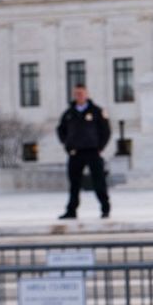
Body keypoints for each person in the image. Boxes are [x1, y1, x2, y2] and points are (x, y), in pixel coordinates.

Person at [56, 84, 112, 220]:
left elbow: (106, 131)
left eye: (81, 93)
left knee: (99, 181)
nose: (79, 96)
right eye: (76, 93)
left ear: (86, 94)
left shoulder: (97, 111)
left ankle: (105, 208)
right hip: (76, 153)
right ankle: (71, 211)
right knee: (74, 183)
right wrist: (67, 145)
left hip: (93, 151)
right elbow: (61, 130)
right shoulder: (69, 113)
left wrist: (100, 147)